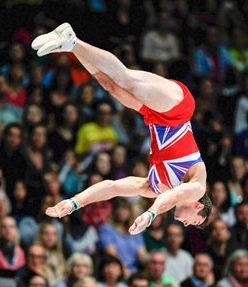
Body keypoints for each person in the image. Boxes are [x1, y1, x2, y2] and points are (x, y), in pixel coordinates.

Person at [31, 22, 212, 233]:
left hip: (153, 116)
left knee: (109, 84)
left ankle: (70, 45)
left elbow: (112, 187)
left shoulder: (153, 187)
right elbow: (173, 196)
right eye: (196, 221)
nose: (189, 224)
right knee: (126, 79)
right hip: (177, 111)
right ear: (199, 206)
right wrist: (151, 214)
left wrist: (74, 202)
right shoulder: (197, 187)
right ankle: (72, 40)